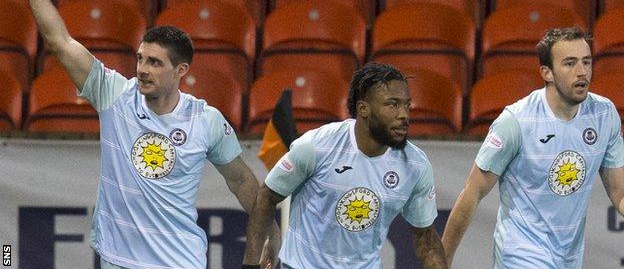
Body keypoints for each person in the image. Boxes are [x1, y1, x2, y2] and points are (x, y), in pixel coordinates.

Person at [11, 0, 278, 269]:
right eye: (140, 58)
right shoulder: (114, 95)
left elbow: (242, 180)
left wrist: (270, 230)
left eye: (154, 62)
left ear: (181, 71)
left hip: (179, 262)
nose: (142, 69)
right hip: (117, 261)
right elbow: (59, 41)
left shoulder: (205, 120)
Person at [442, 28, 624, 268]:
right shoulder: (515, 122)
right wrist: (440, 259)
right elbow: (472, 193)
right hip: (520, 254)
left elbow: (619, 193)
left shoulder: (604, 114)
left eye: (586, 62)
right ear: (546, 72)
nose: (582, 72)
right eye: (570, 63)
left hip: (569, 258)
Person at [242, 62, 447, 269]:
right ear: (363, 108)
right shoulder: (317, 146)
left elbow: (426, 239)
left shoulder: (415, 165)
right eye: (393, 104)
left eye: (406, 105)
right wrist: (250, 265)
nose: (404, 115)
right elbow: (267, 197)